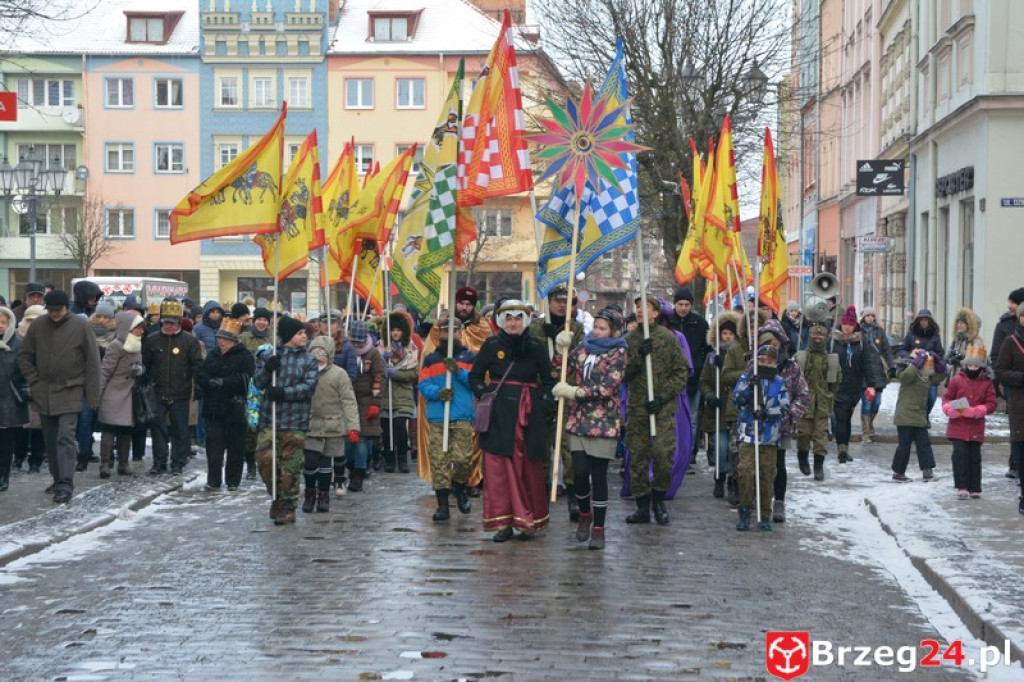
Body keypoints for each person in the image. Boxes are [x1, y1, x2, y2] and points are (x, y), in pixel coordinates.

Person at [470, 300, 555, 541]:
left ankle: (528, 521)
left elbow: (548, 380)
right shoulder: (491, 345)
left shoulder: (537, 347)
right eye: (508, 319)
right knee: (499, 470)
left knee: (528, 467)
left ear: (525, 320)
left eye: (517, 318)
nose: (513, 323)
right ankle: (503, 523)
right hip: (499, 416)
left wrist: (544, 402)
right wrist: (484, 393)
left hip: (528, 414)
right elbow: (475, 375)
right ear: (501, 321)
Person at [551, 307, 627, 550]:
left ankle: (599, 528)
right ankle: (585, 514)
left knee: (599, 476)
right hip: (579, 420)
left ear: (614, 331)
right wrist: (560, 348)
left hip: (604, 421)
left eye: (603, 328)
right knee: (579, 472)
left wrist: (576, 392)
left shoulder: (619, 352)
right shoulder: (583, 347)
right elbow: (560, 370)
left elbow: (608, 386)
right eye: (596, 327)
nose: (598, 332)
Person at [17, 290, 101, 504]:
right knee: (50, 439)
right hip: (44, 391)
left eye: (58, 310)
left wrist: (93, 396)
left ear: (66, 308)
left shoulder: (81, 326)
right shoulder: (38, 326)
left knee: (65, 437)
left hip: (71, 389)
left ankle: (65, 483)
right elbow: (24, 356)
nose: (54, 314)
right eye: (51, 310)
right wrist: (34, 380)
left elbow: (93, 362)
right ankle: (57, 479)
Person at [415, 286, 493, 491]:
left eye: (468, 304)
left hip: (467, 400)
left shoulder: (482, 327)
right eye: (461, 303)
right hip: (441, 401)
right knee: (440, 450)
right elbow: (428, 358)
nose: (464, 307)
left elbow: (484, 362)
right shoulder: (438, 329)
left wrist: (461, 367)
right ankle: (443, 488)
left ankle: (469, 482)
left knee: (466, 449)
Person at [623, 294, 689, 525]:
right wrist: (638, 356)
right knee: (638, 458)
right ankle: (642, 505)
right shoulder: (630, 339)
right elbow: (624, 374)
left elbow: (682, 371)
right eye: (638, 307)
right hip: (638, 409)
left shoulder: (668, 338)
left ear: (656, 313)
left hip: (661, 409)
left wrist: (662, 397)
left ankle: (659, 500)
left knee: (662, 454)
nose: (641, 311)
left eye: (646, 307)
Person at [253, 316, 318, 524]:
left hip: (294, 421)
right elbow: (258, 382)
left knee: (290, 467)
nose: (304, 337)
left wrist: (284, 393)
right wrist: (267, 368)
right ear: (289, 336)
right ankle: (278, 497)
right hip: (269, 419)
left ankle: (288, 506)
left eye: (304, 333)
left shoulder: (308, 360)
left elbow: (308, 388)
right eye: (300, 333)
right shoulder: (271, 355)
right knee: (265, 461)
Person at [529, 284, 585, 521]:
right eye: (557, 300)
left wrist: (564, 343)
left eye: (567, 301)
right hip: (541, 394)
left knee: (568, 449)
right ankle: (541, 497)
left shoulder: (578, 329)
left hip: (566, 393)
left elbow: (580, 358)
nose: (562, 305)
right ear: (549, 302)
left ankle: (574, 496)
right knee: (541, 449)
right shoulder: (534, 328)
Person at [418, 317, 477, 522]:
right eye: (445, 331)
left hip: (461, 415)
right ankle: (443, 505)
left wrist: (458, 372)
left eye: (453, 331)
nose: (449, 335)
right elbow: (423, 384)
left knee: (463, 459)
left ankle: (460, 488)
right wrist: (438, 392)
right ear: (439, 334)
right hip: (438, 416)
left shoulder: (470, 357)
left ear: (460, 333)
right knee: (439, 462)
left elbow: (474, 382)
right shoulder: (431, 359)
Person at [753, 320, 809, 524]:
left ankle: (779, 501)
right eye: (766, 342)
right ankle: (757, 499)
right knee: (756, 463)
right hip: (757, 425)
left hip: (781, 425)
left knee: (778, 464)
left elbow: (802, 395)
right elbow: (743, 391)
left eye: (774, 343)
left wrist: (791, 414)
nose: (770, 347)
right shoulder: (753, 365)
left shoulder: (792, 368)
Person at [732, 344, 791, 532]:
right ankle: (744, 511)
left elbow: (784, 407)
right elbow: (736, 400)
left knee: (766, 476)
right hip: (749, 436)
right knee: (746, 473)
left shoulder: (779, 382)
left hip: (769, 438)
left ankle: (765, 513)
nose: (766, 362)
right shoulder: (747, 378)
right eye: (762, 359)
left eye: (770, 360)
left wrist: (767, 413)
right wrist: (750, 388)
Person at [141, 300, 203, 475]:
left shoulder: (189, 341)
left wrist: (197, 387)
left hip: (180, 392)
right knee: (157, 429)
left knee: (180, 431)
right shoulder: (152, 340)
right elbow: (145, 364)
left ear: (178, 323)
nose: (168, 326)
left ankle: (177, 462)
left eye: (172, 323)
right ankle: (159, 462)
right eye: (165, 322)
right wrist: (146, 383)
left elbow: (197, 366)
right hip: (157, 391)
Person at [194, 317, 254, 491]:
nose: (221, 342)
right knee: (214, 447)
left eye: (225, 339)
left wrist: (224, 382)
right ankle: (213, 480)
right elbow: (200, 374)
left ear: (234, 341)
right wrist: (208, 382)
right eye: (220, 338)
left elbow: (247, 378)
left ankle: (233, 481)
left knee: (236, 447)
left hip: (235, 407)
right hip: (213, 408)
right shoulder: (212, 355)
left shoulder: (245, 356)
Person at [303, 335, 360, 513]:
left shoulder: (339, 374)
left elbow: (349, 401)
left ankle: (324, 495)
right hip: (311, 423)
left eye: (322, 353)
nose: (318, 357)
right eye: (315, 353)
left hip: (333, 425)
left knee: (326, 463)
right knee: (311, 461)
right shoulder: (304, 372)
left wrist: (353, 426)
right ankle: (310, 492)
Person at [829, 306, 883, 465]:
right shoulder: (833, 341)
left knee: (847, 419)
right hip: (836, 386)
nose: (847, 327)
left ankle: (845, 447)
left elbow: (868, 364)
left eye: (850, 324)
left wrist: (871, 385)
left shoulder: (861, 342)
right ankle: (841, 450)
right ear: (841, 324)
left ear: (855, 326)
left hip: (854, 386)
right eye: (845, 324)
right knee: (840, 416)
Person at [942, 343, 997, 499]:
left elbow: (991, 403)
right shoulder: (957, 380)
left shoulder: (986, 383)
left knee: (974, 457)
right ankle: (961, 486)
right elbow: (947, 398)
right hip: (958, 427)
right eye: (970, 365)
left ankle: (975, 487)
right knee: (960, 456)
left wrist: (979, 410)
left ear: (981, 367)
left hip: (976, 427)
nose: (972, 368)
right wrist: (950, 409)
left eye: (976, 365)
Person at [96, 312, 147, 478]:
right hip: (113, 393)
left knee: (126, 430)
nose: (142, 331)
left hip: (129, 393)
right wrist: (98, 394)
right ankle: (105, 464)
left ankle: (123, 463)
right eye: (138, 327)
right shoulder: (116, 345)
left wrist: (140, 370)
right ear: (129, 328)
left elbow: (139, 365)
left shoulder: (137, 344)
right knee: (109, 429)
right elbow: (105, 371)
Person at [662, 287, 710, 461]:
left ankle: (689, 454)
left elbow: (707, 348)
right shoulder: (668, 322)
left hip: (694, 377)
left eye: (686, 304)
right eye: (680, 304)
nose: (683, 308)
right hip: (671, 377)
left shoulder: (700, 323)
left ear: (691, 305)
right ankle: (674, 451)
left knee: (693, 418)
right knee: (673, 417)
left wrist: (701, 367)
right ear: (675, 304)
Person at [699, 311, 741, 498]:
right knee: (721, 448)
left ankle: (733, 480)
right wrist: (709, 396)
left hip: (735, 410)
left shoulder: (742, 355)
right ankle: (719, 477)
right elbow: (704, 381)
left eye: (731, 334)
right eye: (724, 334)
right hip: (717, 410)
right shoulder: (711, 356)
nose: (727, 337)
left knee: (734, 450)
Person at [794, 321, 841, 481]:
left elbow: (836, 381)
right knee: (804, 434)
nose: (818, 338)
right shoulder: (801, 357)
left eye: (821, 335)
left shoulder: (830, 359)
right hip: (804, 403)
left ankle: (818, 466)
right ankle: (802, 456)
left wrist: (828, 394)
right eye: (815, 334)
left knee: (820, 437)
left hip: (821, 404)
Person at [891, 350, 946, 482]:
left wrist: (939, 363)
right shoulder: (906, 371)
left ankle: (928, 472)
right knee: (904, 445)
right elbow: (905, 377)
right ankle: (898, 473)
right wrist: (914, 364)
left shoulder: (925, 373)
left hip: (920, 415)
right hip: (905, 416)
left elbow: (938, 377)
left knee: (924, 444)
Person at [346, 320, 384, 492]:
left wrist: (375, 403)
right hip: (347, 399)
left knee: (361, 439)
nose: (356, 345)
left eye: (359, 342)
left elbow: (379, 377)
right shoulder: (346, 351)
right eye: (354, 342)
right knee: (348, 439)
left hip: (367, 399)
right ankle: (349, 466)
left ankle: (358, 473)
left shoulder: (374, 354)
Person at [994, 304, 1024, 513]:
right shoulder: (1011, 342)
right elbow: (1001, 371)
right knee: (1021, 451)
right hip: (1019, 404)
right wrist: (1021, 378)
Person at [381, 310, 419, 473]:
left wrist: (396, 374)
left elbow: (414, 372)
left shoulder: (411, 349)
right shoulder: (381, 348)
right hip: (385, 394)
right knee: (386, 429)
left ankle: (402, 459)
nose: (395, 333)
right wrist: (383, 360)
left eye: (398, 330)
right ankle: (389, 459)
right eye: (392, 330)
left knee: (399, 427)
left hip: (403, 395)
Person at [0, 306, 30, 492]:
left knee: (6, 441)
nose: (0, 326)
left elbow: (25, 370)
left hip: (9, 399)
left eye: (3, 322)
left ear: (10, 323)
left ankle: (4, 475)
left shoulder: (18, 344)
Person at [13, 306, 46, 473]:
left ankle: (36, 460)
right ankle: (19, 456)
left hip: (40, 385)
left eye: (36, 319)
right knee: (21, 426)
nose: (32, 323)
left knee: (39, 427)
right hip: (20, 385)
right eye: (30, 319)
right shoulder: (16, 334)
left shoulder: (48, 336)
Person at [858, 307, 895, 443]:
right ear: (863, 317)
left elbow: (887, 350)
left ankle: (870, 424)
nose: (869, 318)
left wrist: (892, 366)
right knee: (867, 403)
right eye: (867, 315)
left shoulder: (879, 331)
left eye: (871, 316)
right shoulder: (859, 331)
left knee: (877, 403)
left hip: (878, 372)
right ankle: (866, 432)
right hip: (864, 374)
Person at [901, 308, 945, 417]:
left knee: (931, 396)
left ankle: (925, 416)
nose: (923, 322)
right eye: (921, 320)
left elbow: (941, 354)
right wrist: (910, 355)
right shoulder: (911, 334)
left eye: (926, 320)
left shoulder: (935, 336)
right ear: (918, 321)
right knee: (916, 398)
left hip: (930, 372)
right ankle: (919, 418)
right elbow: (902, 350)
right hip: (915, 371)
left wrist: (933, 356)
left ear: (930, 321)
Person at [946, 307, 982, 381]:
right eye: (958, 323)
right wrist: (950, 357)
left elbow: (977, 363)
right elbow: (946, 359)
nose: (959, 325)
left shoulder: (976, 341)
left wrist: (960, 361)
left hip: (968, 381)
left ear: (969, 325)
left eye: (962, 323)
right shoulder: (956, 340)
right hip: (954, 380)